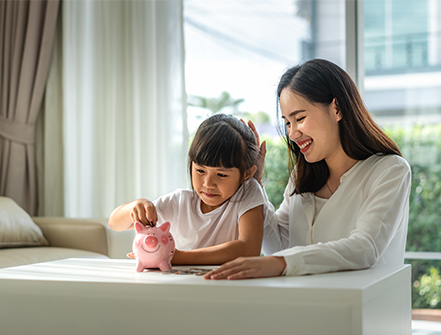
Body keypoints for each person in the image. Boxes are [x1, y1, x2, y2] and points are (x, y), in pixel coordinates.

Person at [204, 58, 411, 280]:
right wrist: (253, 183)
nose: (292, 134)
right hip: (303, 308)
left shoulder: (390, 171)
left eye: (299, 118)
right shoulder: (301, 177)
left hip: (361, 311)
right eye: (287, 123)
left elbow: (364, 248)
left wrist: (281, 263)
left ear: (337, 108)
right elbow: (278, 247)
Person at [108, 113, 267, 265]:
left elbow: (248, 248)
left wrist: (176, 256)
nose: (208, 183)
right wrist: (136, 205)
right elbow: (114, 223)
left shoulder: (247, 193)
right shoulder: (179, 202)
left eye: (221, 174)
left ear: (247, 174)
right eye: (200, 171)